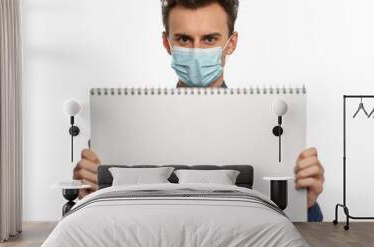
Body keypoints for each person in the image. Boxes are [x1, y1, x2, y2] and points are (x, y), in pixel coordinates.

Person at [73, 0, 325, 221]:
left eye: (209, 39)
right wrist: (87, 195)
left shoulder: (269, 126)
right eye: (184, 39)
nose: (196, 51)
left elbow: (292, 222)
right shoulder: (126, 128)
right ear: (166, 42)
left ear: (231, 43)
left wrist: (308, 205)